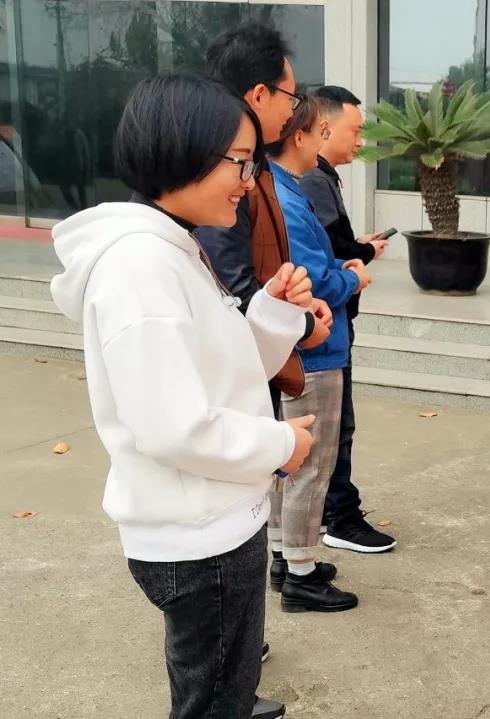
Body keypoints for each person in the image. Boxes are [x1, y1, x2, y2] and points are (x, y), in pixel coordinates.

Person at [49, 74, 314, 719]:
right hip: (200, 537)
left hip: (215, 519)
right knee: (211, 695)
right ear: (183, 152)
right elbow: (173, 427)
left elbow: (220, 372)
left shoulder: (173, 246)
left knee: (223, 678)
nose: (249, 181)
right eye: (240, 162)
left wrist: (273, 311)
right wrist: (281, 444)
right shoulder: (141, 268)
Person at [198, 23, 331, 418]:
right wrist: (300, 325)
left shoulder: (254, 165)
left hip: (251, 362)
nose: (293, 111)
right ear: (259, 94)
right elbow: (230, 284)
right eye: (291, 97)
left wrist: (291, 307)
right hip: (231, 382)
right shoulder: (223, 171)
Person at [266, 95, 367, 612]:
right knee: (310, 462)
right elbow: (314, 280)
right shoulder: (289, 194)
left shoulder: (283, 188)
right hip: (316, 347)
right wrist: (351, 278)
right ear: (302, 134)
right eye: (321, 133)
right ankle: (301, 575)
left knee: (290, 459)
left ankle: (285, 557)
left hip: (304, 343)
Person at [301, 85, 396, 554]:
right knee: (333, 426)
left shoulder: (317, 179)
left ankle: (325, 514)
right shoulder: (309, 181)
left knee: (330, 426)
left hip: (329, 322)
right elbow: (324, 263)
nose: (360, 141)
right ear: (322, 127)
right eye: (355, 131)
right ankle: (336, 516)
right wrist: (358, 265)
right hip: (321, 328)